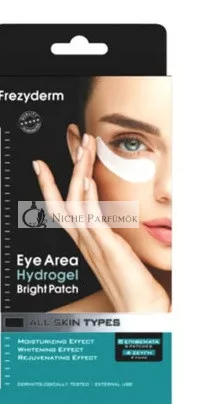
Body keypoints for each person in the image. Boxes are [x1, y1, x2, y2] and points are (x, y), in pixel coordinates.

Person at [32, 76, 172, 313]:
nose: (169, 189)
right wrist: (143, 317)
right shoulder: (42, 334)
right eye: (132, 144)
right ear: (80, 151)